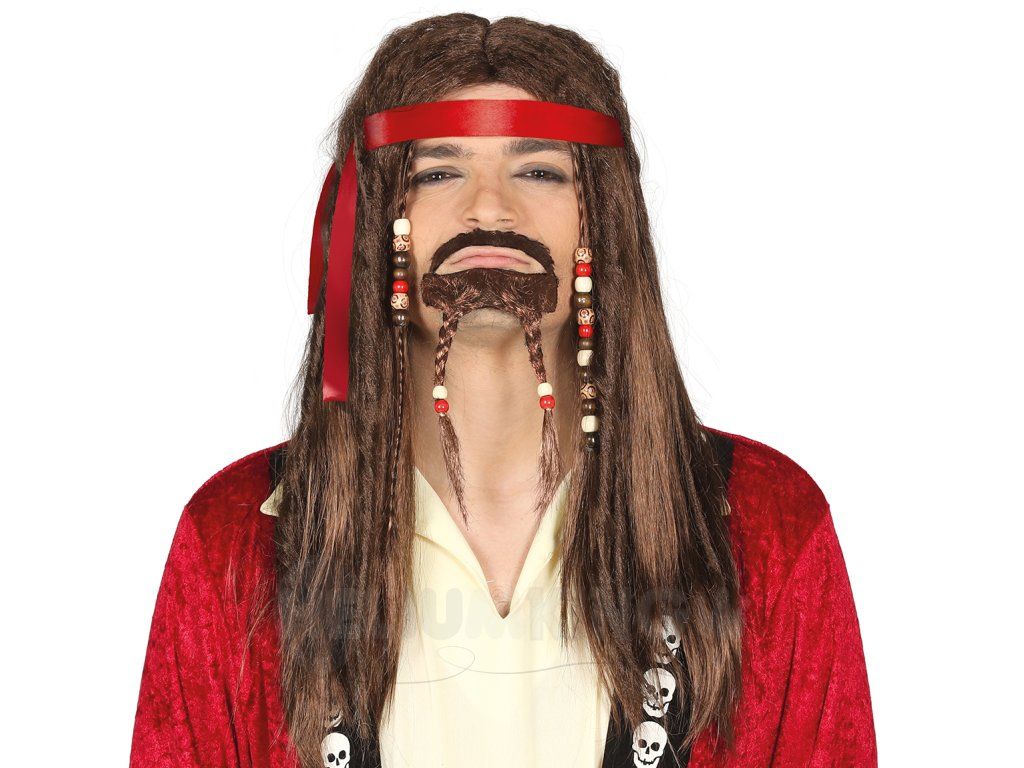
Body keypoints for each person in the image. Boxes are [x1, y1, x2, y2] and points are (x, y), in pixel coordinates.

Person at [129, 13, 877, 768]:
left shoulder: (768, 525)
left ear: (602, 219)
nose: (489, 208)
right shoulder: (235, 540)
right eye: (437, 172)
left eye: (540, 170)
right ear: (373, 219)